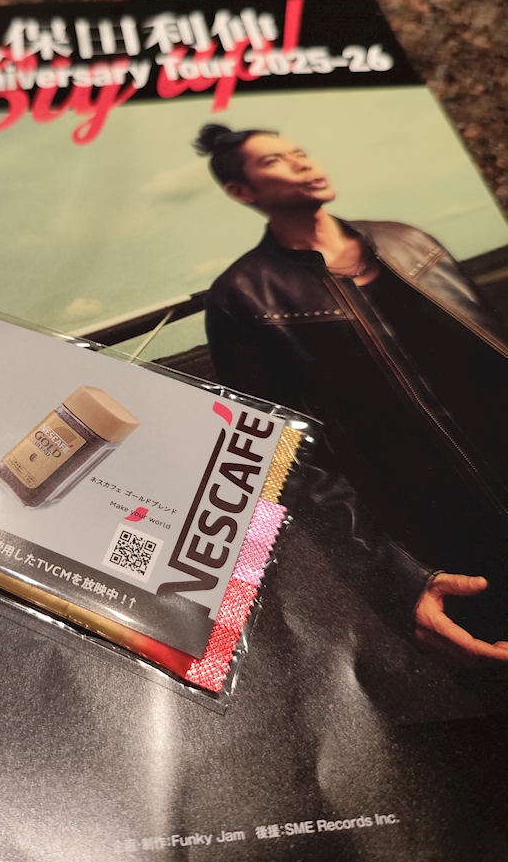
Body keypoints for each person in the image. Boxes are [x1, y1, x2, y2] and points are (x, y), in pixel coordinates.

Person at [195, 123, 508, 669]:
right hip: (447, 545)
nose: (301, 162)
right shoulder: (242, 297)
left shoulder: (409, 241)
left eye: (299, 151)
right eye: (274, 161)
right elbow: (289, 461)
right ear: (241, 191)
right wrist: (399, 579)